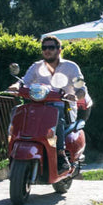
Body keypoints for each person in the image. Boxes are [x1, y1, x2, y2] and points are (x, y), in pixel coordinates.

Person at [20, 35, 92, 172]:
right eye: (44, 48)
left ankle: (61, 154)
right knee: (19, 111)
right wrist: (15, 86)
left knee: (55, 115)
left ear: (59, 50)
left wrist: (75, 96)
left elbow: (82, 89)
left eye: (51, 47)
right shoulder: (36, 66)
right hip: (39, 107)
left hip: (65, 108)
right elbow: (24, 81)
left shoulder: (71, 67)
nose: (47, 50)